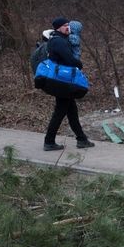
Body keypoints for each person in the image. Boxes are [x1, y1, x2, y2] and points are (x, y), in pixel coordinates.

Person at [43, 17, 94, 151]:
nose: (68, 28)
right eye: (65, 26)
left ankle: (81, 139)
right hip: (62, 82)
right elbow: (70, 59)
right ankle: (49, 142)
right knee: (60, 112)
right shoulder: (58, 41)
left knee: (71, 111)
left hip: (62, 81)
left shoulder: (58, 39)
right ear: (58, 28)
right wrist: (79, 64)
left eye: (68, 25)